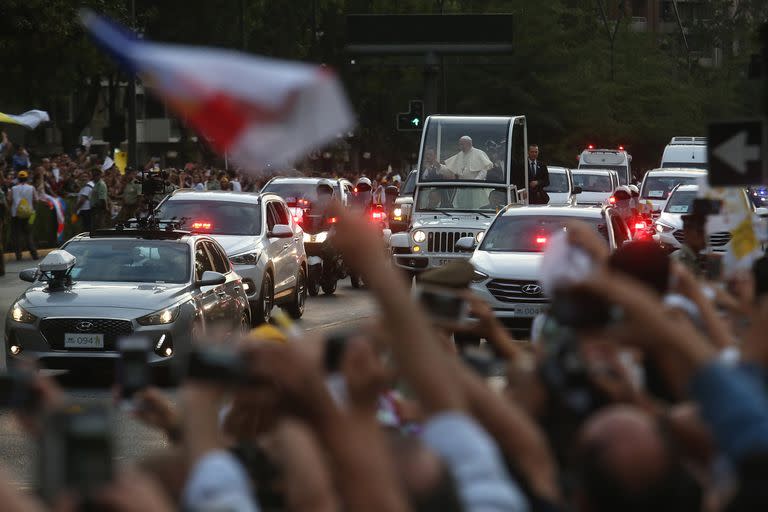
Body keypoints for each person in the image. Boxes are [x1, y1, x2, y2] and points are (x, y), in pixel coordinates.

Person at [7, 169, 39, 261]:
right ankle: (34, 255)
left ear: (18, 179)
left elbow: (9, 200)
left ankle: (18, 256)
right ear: (27, 178)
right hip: (29, 214)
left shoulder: (13, 189)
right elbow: (36, 200)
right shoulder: (31, 188)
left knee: (16, 235)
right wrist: (33, 212)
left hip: (15, 215)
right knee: (28, 234)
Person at [671, 213, 709, 278]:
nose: (705, 238)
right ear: (687, 233)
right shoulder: (680, 261)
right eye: (701, 232)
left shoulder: (696, 259)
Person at [89, 166, 110, 231]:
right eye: (93, 175)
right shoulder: (96, 184)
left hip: (99, 209)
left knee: (99, 228)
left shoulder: (101, 184)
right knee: (95, 227)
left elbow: (102, 199)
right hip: (95, 209)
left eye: (96, 175)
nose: (94, 176)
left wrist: (104, 209)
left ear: (100, 175)